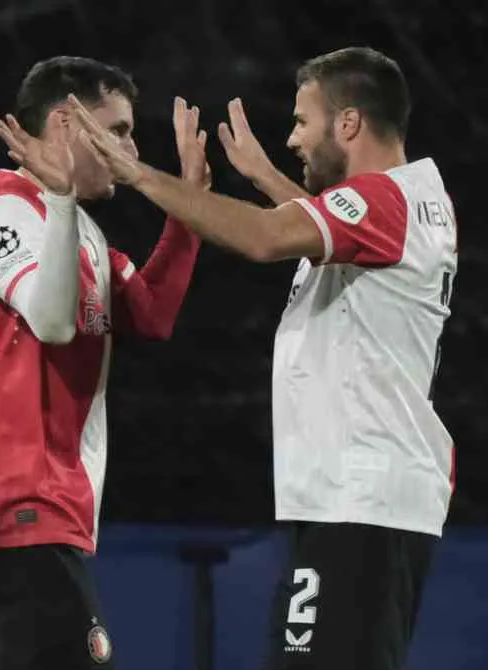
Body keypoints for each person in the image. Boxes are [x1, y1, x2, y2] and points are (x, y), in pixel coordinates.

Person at [64, 46, 458, 670]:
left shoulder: (385, 202)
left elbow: (266, 237)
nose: (293, 138)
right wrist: (263, 178)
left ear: (349, 124)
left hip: (358, 501)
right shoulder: (406, 205)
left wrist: (139, 175)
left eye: (303, 121)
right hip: (363, 498)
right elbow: (315, 223)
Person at [0, 56, 209, 670]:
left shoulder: (78, 232)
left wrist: (190, 205)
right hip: (16, 510)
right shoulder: (6, 215)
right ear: (66, 124)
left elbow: (151, 313)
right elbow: (51, 323)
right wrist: (56, 201)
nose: (130, 148)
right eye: (120, 130)